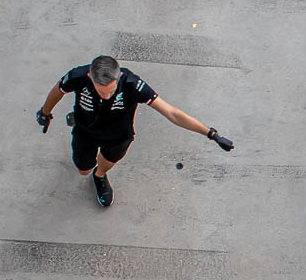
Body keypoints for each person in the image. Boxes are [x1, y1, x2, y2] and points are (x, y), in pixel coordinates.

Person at [36, 55, 234, 207]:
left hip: (118, 136)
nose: (106, 96)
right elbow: (58, 90)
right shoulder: (78, 76)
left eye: (110, 91)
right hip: (85, 132)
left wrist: (211, 134)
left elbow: (172, 113)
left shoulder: (132, 84)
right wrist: (45, 113)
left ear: (118, 75)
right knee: (83, 169)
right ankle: (79, 124)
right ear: (90, 76)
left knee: (102, 166)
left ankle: (100, 177)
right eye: (100, 91)